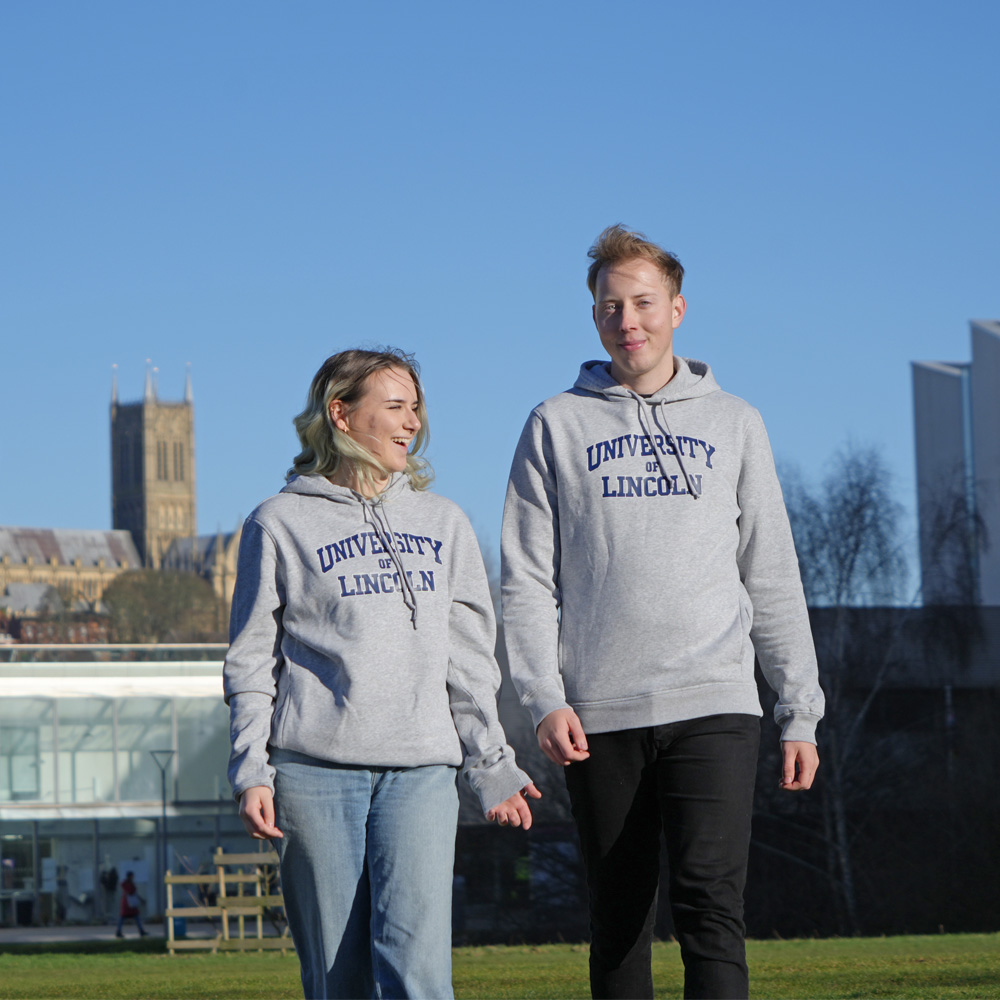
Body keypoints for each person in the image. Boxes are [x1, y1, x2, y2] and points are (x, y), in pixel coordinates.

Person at [500, 225, 825, 1000]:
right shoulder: (556, 424)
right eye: (611, 306)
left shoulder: (735, 422)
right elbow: (524, 582)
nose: (628, 320)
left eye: (643, 302)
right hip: (599, 713)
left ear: (677, 308)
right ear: (595, 318)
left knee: (711, 906)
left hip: (715, 702)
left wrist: (800, 709)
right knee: (618, 920)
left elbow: (771, 574)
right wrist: (543, 698)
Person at [225, 347, 538, 1000]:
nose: (411, 424)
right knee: (338, 980)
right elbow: (253, 662)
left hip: (421, 772)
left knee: (419, 974)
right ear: (340, 414)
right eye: (394, 407)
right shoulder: (277, 523)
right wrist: (251, 767)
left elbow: (471, 663)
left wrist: (491, 762)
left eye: (416, 409)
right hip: (312, 775)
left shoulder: (445, 524)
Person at [116, 871, 147, 938]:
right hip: (129, 904)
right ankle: (141, 931)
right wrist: (140, 899)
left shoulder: (126, 884)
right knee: (134, 917)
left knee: (126, 918)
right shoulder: (128, 884)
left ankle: (119, 931)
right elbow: (132, 892)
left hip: (128, 903)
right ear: (130, 876)